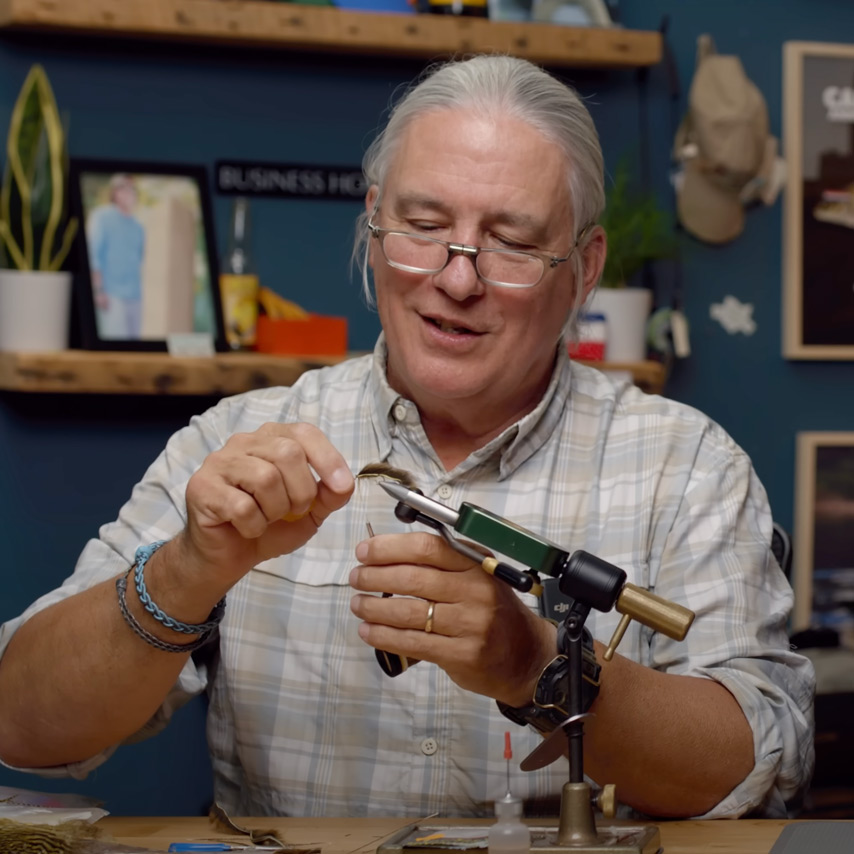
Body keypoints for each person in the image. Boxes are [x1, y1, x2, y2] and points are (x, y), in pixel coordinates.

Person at [0, 55, 813, 821]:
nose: (457, 280)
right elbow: (22, 727)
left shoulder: (688, 468)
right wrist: (186, 571)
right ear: (374, 225)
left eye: (512, 242)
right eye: (424, 225)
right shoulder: (235, 441)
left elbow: (757, 767)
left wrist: (534, 666)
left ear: (585, 266)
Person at [87, 173, 146, 340]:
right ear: (115, 192)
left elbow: (139, 259)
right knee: (117, 344)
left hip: (135, 296)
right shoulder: (102, 217)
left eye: (132, 189)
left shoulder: (138, 227)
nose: (129, 192)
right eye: (124, 188)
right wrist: (98, 291)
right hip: (111, 295)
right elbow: (94, 256)